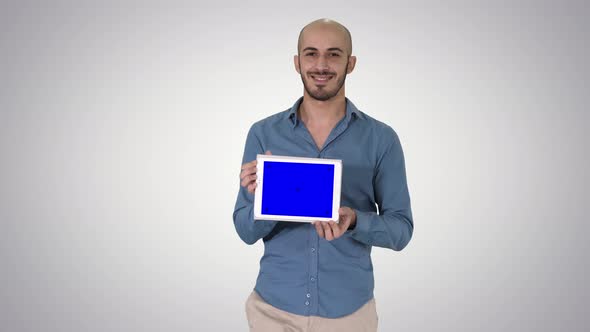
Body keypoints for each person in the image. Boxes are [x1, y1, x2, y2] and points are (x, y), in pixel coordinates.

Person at [233, 18, 414, 332]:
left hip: (349, 313)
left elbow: (401, 230)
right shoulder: (263, 134)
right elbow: (245, 230)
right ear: (297, 62)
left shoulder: (382, 139)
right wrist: (268, 198)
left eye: (333, 54)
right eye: (311, 53)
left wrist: (354, 221)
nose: (321, 65)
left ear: (351, 63)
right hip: (272, 310)